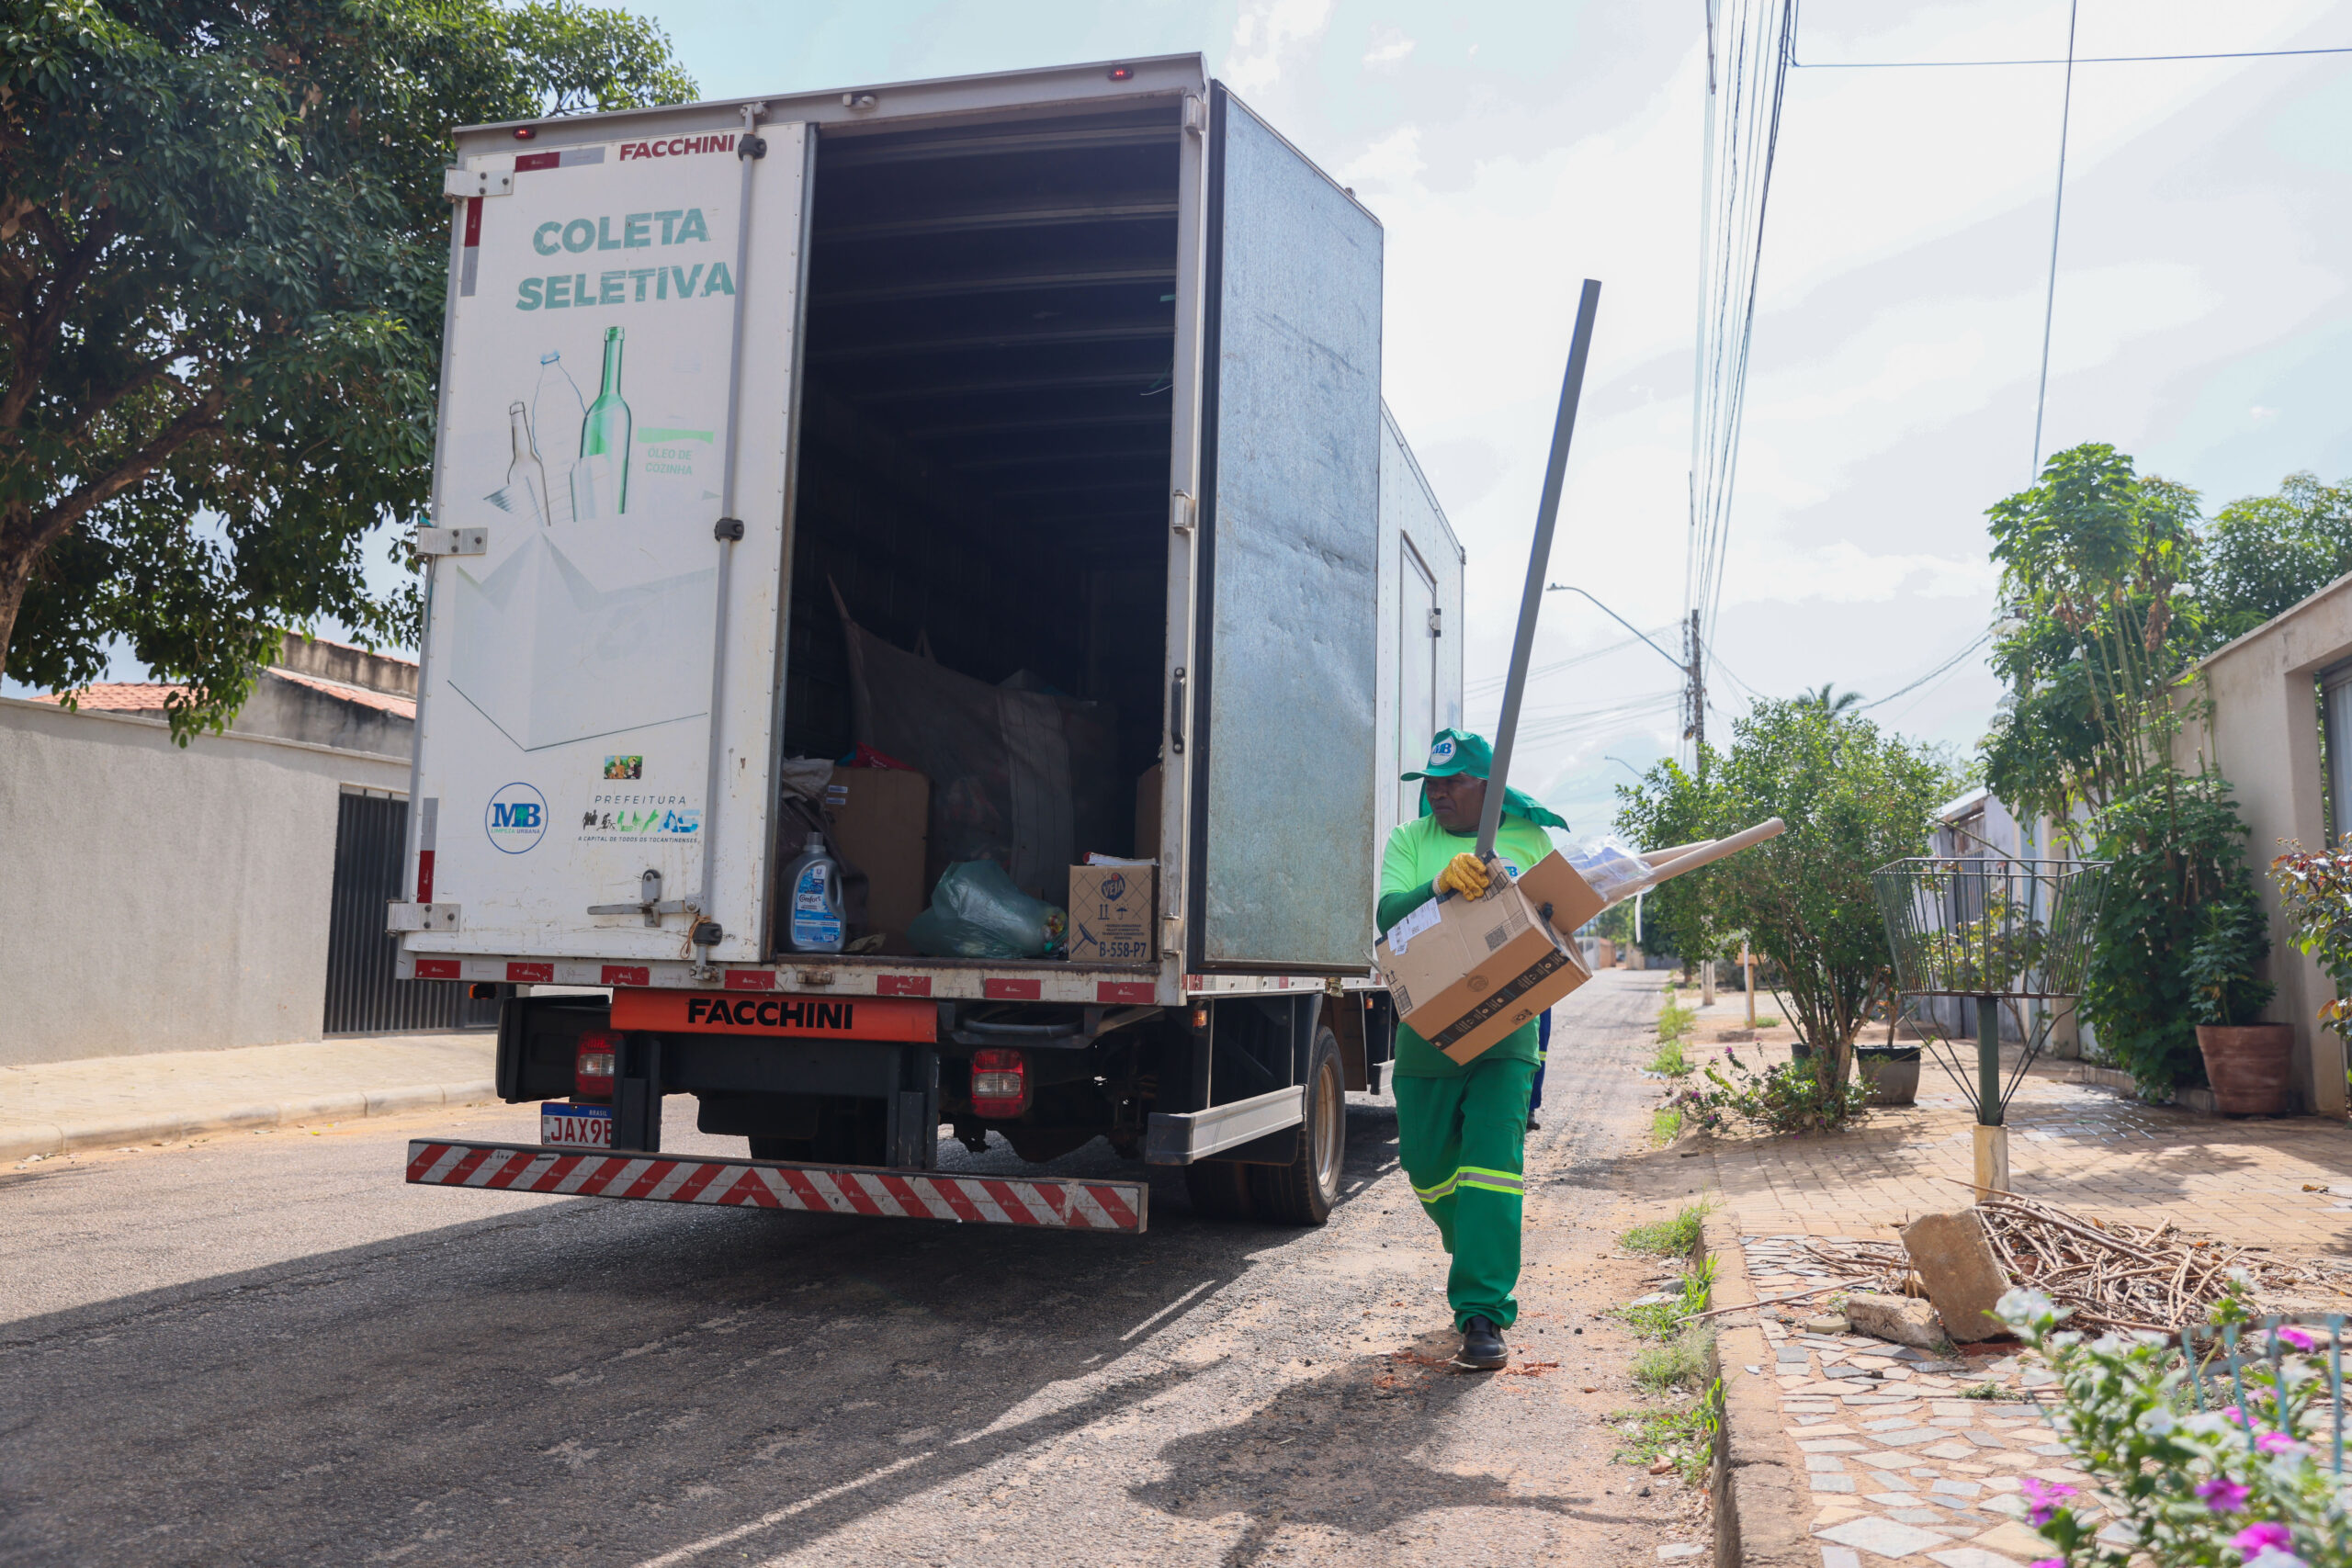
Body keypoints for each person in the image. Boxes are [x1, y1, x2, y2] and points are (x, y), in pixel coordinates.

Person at [1378, 728, 1568, 1371]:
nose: (1438, 792)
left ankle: (1482, 1312)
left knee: (1492, 1168)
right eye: (1430, 781)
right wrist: (1438, 884)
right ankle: (1476, 1242)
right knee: (1426, 1165)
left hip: (1507, 1027)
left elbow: (1562, 919)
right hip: (1427, 1029)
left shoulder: (1527, 838)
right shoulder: (1411, 840)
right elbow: (1387, 913)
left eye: (1453, 780)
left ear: (1487, 786)